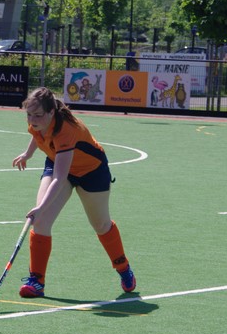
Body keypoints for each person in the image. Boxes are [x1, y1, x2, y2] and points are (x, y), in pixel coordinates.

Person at [12, 87, 135, 298]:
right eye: (29, 115)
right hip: (58, 162)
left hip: (91, 171)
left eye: (38, 115)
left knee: (101, 225)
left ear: (51, 112)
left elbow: (60, 178)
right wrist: (27, 154)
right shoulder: (37, 120)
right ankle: (36, 281)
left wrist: (41, 207)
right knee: (41, 222)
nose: (32, 120)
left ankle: (123, 267)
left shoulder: (66, 129)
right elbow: (37, 134)